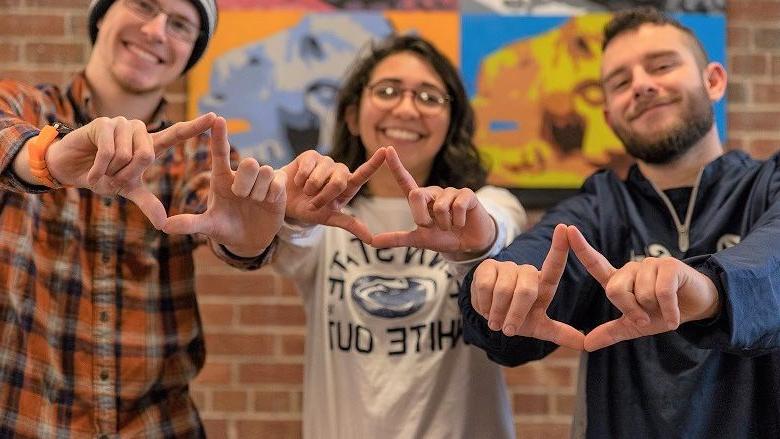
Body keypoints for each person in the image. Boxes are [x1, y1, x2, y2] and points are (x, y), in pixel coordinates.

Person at [458, 7, 780, 439]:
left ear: (713, 80)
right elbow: (541, 254)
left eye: (662, 65)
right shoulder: (602, 206)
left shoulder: (768, 185)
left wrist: (707, 288)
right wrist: (500, 290)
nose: (643, 86)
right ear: (610, 116)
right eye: (620, 83)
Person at [0, 0, 287, 436]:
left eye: (180, 25)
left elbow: (222, 215)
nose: (156, 31)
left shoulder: (197, 151)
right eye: (143, 5)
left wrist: (248, 238)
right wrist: (49, 158)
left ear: (191, 51)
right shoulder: (24, 106)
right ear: (102, 15)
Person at [269, 35, 527, 438]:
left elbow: (495, 229)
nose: (406, 109)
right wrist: (289, 211)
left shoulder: (488, 204)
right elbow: (289, 240)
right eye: (387, 91)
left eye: (429, 97)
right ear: (353, 116)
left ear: (451, 122)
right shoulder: (326, 217)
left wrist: (476, 238)